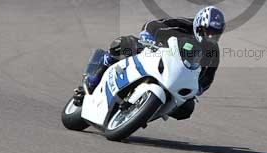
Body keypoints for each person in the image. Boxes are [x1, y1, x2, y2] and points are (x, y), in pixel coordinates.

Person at [74, 6, 226, 120]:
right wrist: (148, 38)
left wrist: (197, 89)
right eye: (209, 32)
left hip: (175, 75)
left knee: (187, 109)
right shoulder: (183, 24)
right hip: (154, 53)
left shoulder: (212, 51)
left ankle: (149, 110)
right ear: (199, 26)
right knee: (123, 43)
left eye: (216, 34)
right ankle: (94, 78)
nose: (211, 37)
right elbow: (152, 24)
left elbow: (208, 77)